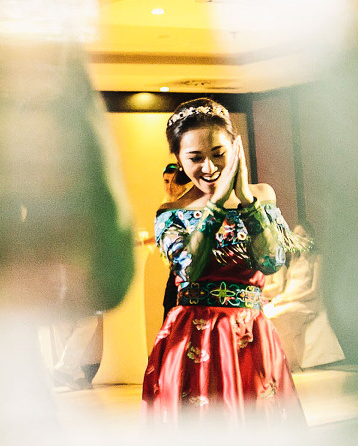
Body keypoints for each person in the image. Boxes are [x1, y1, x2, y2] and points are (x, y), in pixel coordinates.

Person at [142, 98, 303, 422]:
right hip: (192, 339)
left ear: (235, 147)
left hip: (251, 334)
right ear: (179, 159)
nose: (209, 167)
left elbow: (272, 261)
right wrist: (214, 207)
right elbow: (190, 268)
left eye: (218, 154)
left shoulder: (261, 195)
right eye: (195, 158)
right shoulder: (172, 212)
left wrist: (246, 201)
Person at [261, 222, 344, 370]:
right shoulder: (294, 260)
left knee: (279, 315)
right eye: (297, 236)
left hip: (307, 303)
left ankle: (292, 362)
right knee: (266, 313)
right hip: (291, 301)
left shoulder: (317, 258)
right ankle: (282, 361)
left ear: (311, 236)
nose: (300, 239)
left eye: (304, 235)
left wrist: (289, 299)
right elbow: (288, 289)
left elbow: (314, 291)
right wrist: (281, 299)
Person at [160, 162, 190, 312]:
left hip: (189, 265)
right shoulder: (166, 203)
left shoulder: (189, 202)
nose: (170, 186)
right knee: (169, 303)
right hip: (174, 266)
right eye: (166, 181)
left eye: (173, 181)